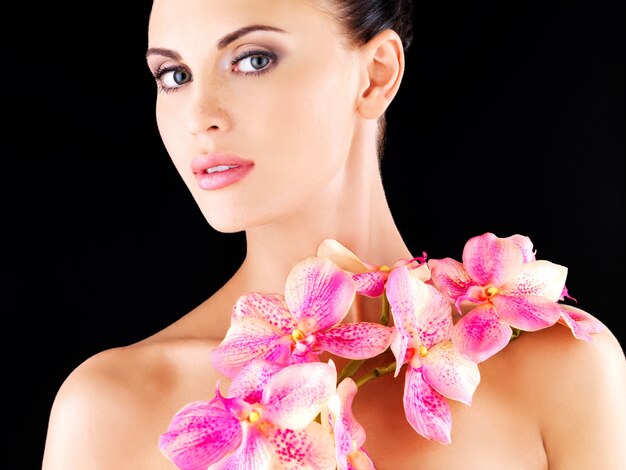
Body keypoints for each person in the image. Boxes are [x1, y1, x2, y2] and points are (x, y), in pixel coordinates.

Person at [41, 0, 626, 468]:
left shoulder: (561, 368)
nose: (199, 116)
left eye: (252, 60)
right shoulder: (109, 408)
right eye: (174, 75)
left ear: (376, 75)